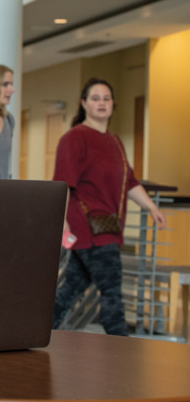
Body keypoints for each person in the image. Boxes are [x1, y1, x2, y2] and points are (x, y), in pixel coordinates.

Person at [52, 78, 166, 336]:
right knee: (112, 289)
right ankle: (121, 343)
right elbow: (62, 184)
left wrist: (151, 207)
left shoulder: (114, 141)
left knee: (71, 289)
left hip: (107, 227)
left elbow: (130, 181)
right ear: (84, 104)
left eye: (106, 98)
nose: (101, 103)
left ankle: (34, 331)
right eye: (95, 98)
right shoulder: (74, 138)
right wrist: (63, 222)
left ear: (113, 104)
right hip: (89, 228)